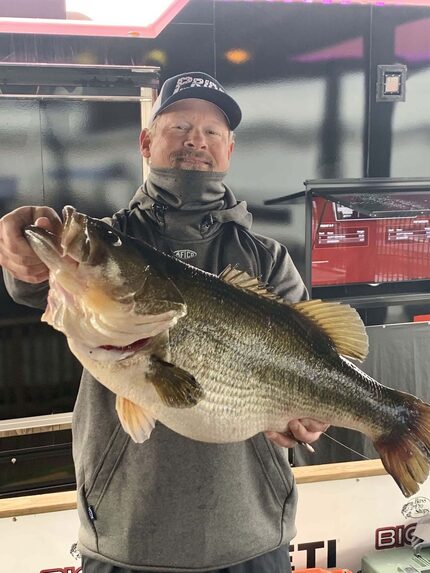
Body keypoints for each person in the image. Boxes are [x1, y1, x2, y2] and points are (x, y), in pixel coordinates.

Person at [0, 71, 328, 573]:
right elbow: (34, 279)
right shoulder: (107, 238)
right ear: (146, 141)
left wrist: (312, 417)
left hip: (252, 536)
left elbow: (317, 361)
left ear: (229, 150)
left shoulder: (268, 258)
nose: (195, 140)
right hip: (125, 536)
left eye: (212, 131)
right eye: (178, 126)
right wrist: (19, 251)